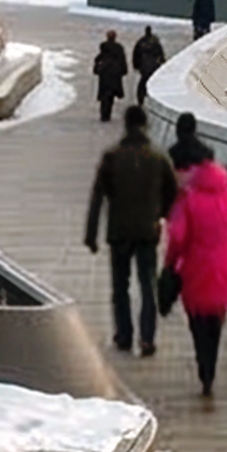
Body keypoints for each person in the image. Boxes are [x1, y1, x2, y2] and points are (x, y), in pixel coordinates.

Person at [85, 106, 180, 357]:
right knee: (147, 285)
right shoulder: (158, 157)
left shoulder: (112, 156)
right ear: (146, 125)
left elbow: (98, 197)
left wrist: (91, 234)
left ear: (126, 126)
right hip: (148, 232)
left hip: (119, 231)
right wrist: (162, 216)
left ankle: (124, 336)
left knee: (120, 286)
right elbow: (173, 194)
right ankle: (147, 338)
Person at [161, 157, 227, 396]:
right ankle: (210, 369)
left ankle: (203, 365)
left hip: (195, 268)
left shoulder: (189, 201)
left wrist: (170, 263)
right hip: (226, 267)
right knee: (216, 320)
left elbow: (178, 237)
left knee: (197, 322)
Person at [92, 31, 129, 123]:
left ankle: (104, 114)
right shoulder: (119, 48)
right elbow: (122, 59)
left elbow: (98, 59)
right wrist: (124, 70)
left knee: (104, 94)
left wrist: (96, 69)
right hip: (115, 74)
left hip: (104, 74)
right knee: (111, 95)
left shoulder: (103, 47)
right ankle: (107, 113)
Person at [131, 26, 167, 105]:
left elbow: (136, 54)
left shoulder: (141, 42)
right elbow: (160, 54)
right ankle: (148, 97)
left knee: (142, 83)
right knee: (150, 83)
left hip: (144, 67)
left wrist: (136, 65)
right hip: (153, 67)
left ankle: (141, 98)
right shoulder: (155, 42)